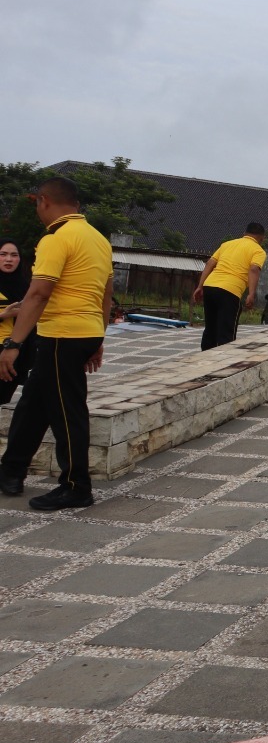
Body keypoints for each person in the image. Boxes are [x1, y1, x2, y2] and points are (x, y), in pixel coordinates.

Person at [0, 177, 115, 511]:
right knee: (34, 403)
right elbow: (106, 295)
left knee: (67, 412)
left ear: (44, 201)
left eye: (36, 204)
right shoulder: (98, 240)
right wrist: (99, 337)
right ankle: (11, 469)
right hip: (84, 331)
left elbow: (38, 292)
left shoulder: (56, 238)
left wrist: (13, 343)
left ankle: (76, 486)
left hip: (63, 335)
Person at [192, 222, 266, 349]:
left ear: (244, 234)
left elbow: (210, 263)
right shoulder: (258, 250)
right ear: (262, 238)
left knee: (210, 328)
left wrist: (200, 286)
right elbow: (254, 269)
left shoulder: (227, 244)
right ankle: (223, 363)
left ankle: (204, 359)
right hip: (230, 291)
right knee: (226, 331)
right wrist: (251, 293)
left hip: (210, 287)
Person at [0, 239, 34, 408]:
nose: (8, 259)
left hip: (14, 354)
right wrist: (4, 314)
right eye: (3, 254)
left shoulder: (26, 287)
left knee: (4, 399)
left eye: (14, 255)